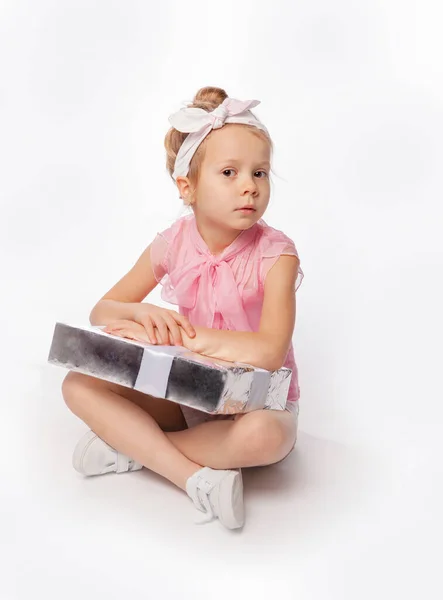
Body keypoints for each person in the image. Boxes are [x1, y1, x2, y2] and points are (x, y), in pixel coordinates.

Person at [61, 86, 305, 531]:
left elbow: (270, 351)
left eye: (261, 173)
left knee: (267, 438)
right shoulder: (173, 243)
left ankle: (134, 447)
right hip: (191, 393)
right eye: (229, 172)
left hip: (256, 404)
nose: (249, 186)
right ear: (187, 187)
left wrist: (185, 336)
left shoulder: (278, 255)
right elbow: (103, 309)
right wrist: (140, 315)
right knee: (78, 384)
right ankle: (194, 478)